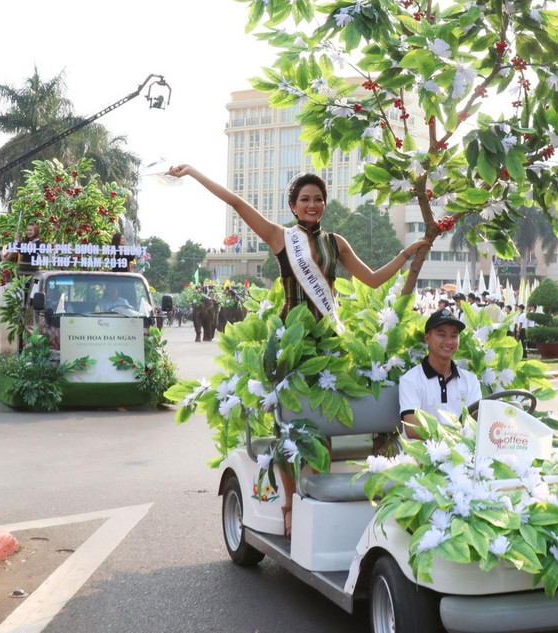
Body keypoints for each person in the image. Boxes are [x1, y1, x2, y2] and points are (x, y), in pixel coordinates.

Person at [167, 164, 430, 539]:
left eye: (318, 199)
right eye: (305, 199)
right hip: (290, 344)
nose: (313, 204)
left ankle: (323, 503)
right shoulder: (280, 237)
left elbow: (371, 279)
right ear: (293, 206)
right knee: (292, 428)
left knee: (324, 423)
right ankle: (291, 505)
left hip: (330, 342)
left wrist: (406, 255)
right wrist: (194, 172)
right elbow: (236, 203)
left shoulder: (336, 243)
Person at [399, 308, 482, 438]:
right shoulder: (410, 380)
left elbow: (477, 423)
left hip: (462, 453)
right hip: (423, 454)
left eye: (454, 336)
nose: (449, 341)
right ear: (427, 338)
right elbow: (412, 428)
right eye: (441, 335)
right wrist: (452, 437)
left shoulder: (470, 380)